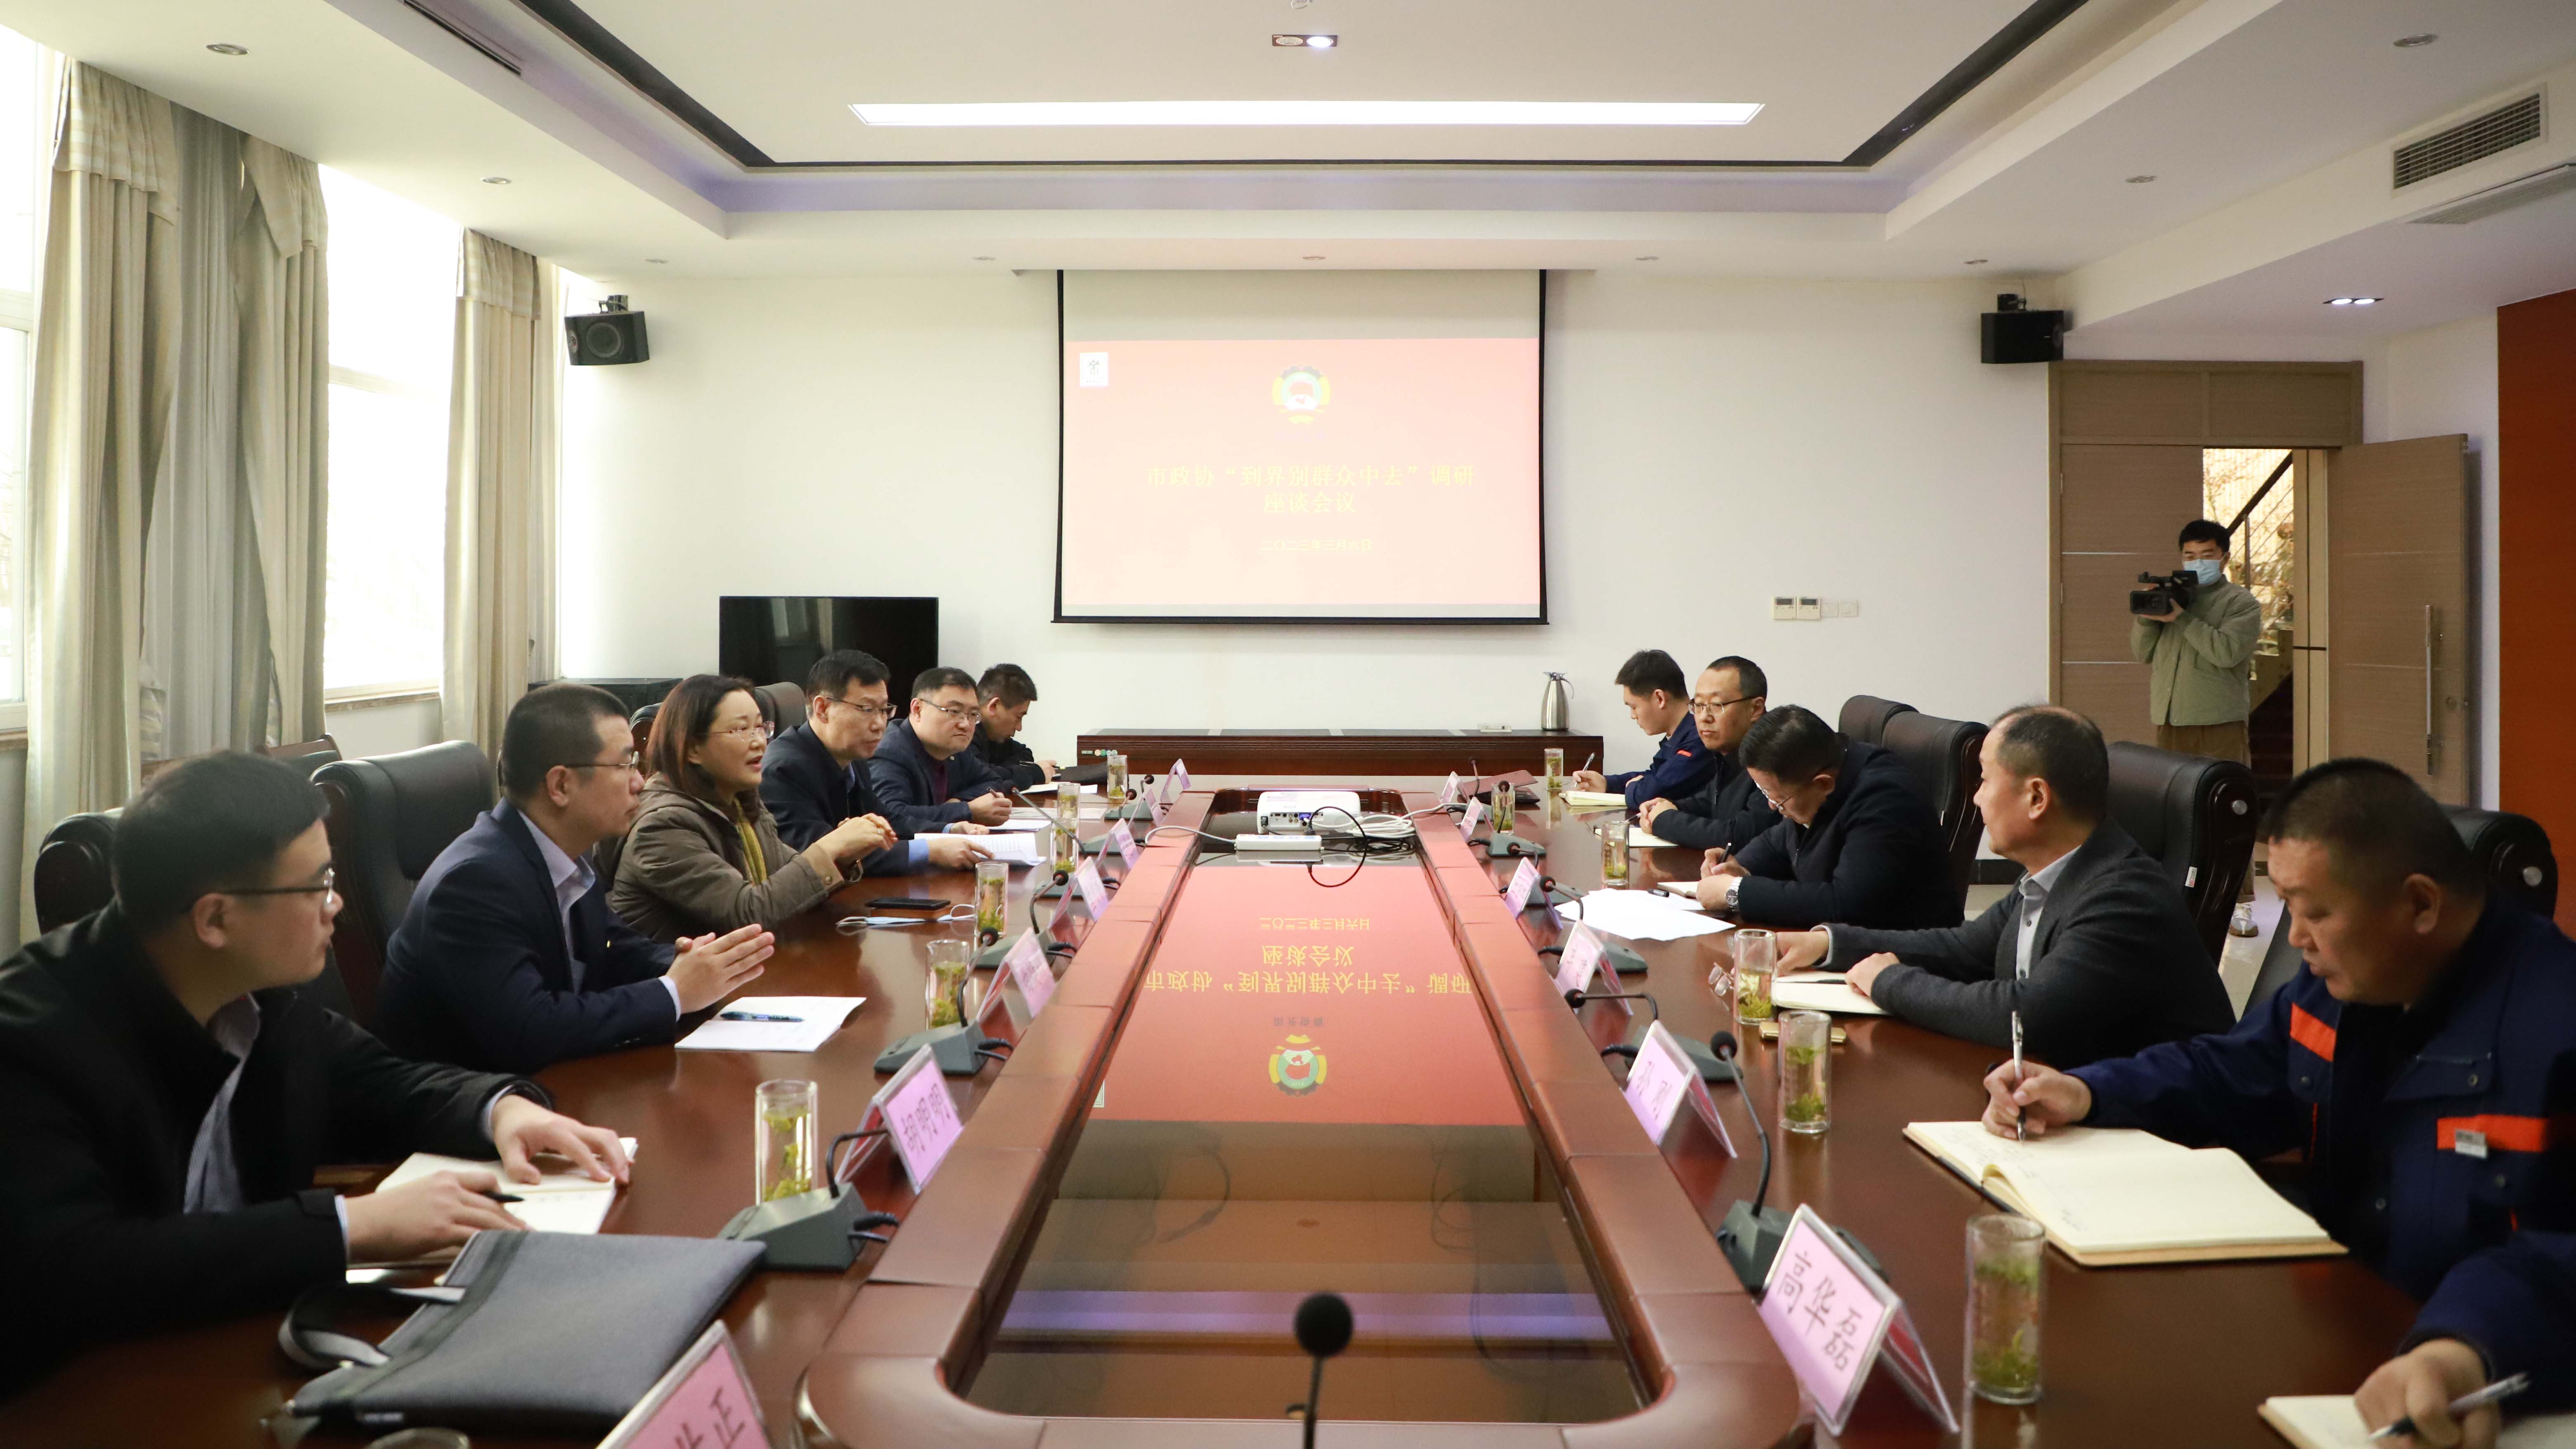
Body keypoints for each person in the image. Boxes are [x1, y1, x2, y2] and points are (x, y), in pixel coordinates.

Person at [0, 753, 632, 1397]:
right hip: (82, 1391)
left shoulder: (257, 997)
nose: (338, 906)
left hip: (236, 1349)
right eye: (316, 885)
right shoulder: (30, 1039)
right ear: (215, 919)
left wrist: (502, 1109)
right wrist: (352, 1226)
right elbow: (74, 1269)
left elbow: (383, 1082)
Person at [1985, 760, 2576, 1428]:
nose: (2294, 938)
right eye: (2288, 905)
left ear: (2420, 904)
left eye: (2315, 912)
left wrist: (2465, 1347)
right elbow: (2231, 1073)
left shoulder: (2557, 1026)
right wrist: (2086, 1090)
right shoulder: (2342, 985)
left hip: (2468, 1383)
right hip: (2335, 1341)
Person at [1769, 706, 2231, 1064]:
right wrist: (1828, 943)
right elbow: (1963, 949)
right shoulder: (2052, 874)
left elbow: (2028, 1016)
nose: (1975, 798)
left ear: (2036, 798)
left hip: (2151, 1133)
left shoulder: (2122, 897)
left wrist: (1888, 981)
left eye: (1986, 780)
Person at [378, 684, 777, 1074]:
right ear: (561, 785)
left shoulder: (562, 854)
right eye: (625, 765)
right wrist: (673, 992)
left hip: (554, 1082)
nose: (640, 782)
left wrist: (698, 964)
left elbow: (612, 948)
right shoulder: (474, 883)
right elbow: (530, 1028)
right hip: (468, 1103)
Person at [608, 676, 893, 943]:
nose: (760, 741)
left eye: (760, 727)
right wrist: (829, 848)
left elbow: (789, 886)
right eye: (740, 730)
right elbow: (748, 913)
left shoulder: (740, 801)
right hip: (673, 976)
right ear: (693, 748)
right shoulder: (663, 827)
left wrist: (844, 856)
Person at [1694, 704, 1959, 930]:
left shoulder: (1885, 800)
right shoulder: (1829, 767)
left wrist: (1736, 892)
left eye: (1778, 799)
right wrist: (1741, 866)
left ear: (1823, 784)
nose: (1772, 806)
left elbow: (1846, 904)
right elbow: (1783, 838)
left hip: (1899, 954)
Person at [762, 651, 995, 874]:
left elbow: (888, 821)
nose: (879, 724)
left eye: (884, 710)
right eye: (866, 710)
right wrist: (931, 851)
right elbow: (824, 852)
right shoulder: (784, 770)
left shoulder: (854, 759)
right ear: (823, 709)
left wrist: (949, 829)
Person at [1636, 655, 1779, 852]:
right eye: (1699, 705)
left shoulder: (1774, 754)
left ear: (1755, 709)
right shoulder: (1728, 751)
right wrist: (1669, 806)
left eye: (1717, 705)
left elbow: (1740, 836)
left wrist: (1664, 820)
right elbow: (1710, 802)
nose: (1704, 717)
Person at [869, 667, 1017, 836]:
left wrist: (957, 802)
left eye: (973, 714)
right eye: (954, 712)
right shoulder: (890, 753)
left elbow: (992, 780)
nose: (966, 724)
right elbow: (891, 818)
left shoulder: (952, 749)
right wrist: (967, 810)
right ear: (918, 709)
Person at [1567, 649, 1717, 811]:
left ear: (1660, 698)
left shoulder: (1701, 737)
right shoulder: (1680, 735)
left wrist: (1635, 788)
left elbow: (1653, 790)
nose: (1633, 716)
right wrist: (1607, 784)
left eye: (1634, 707)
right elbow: (1656, 776)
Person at [971, 663, 1057, 789]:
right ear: (994, 706)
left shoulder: (993, 736)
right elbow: (980, 776)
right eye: (1018, 717)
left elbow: (1024, 754)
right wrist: (1034, 773)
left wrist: (1007, 772)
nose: (1019, 727)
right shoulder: (964, 735)